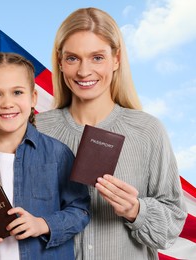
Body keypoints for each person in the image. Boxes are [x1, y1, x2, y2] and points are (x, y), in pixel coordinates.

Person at [36, 7, 187, 260]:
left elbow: (172, 225)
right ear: (60, 61)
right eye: (73, 58)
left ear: (116, 59)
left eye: (97, 57)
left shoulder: (148, 131)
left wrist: (136, 209)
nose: (84, 71)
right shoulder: (36, 130)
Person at [0, 52, 90, 260]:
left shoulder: (58, 154)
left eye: (17, 92)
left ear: (33, 98)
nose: (7, 103)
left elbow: (80, 210)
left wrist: (43, 224)